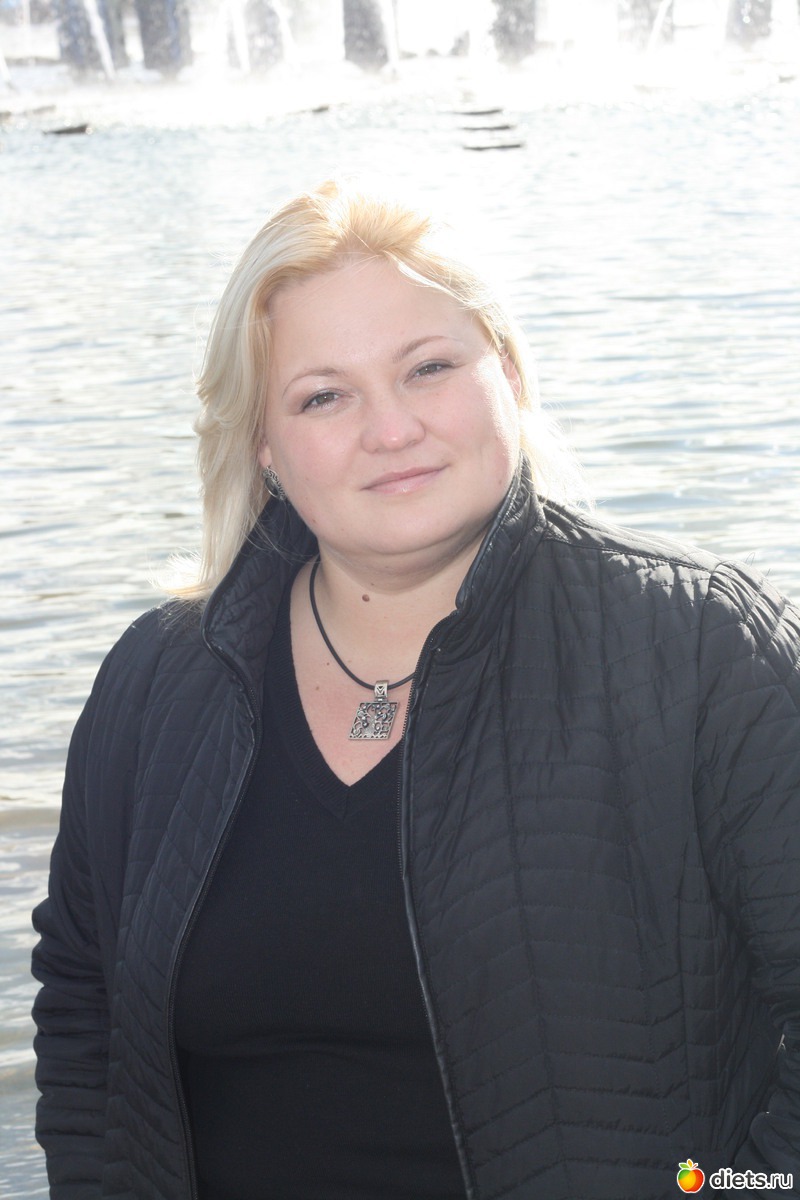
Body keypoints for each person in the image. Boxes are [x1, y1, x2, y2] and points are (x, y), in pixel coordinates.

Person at [31, 179, 800, 1200]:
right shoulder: (156, 682)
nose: (391, 430)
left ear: (508, 371)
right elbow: (82, 1006)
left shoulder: (701, 651)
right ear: (262, 443)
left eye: (428, 368)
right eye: (323, 395)